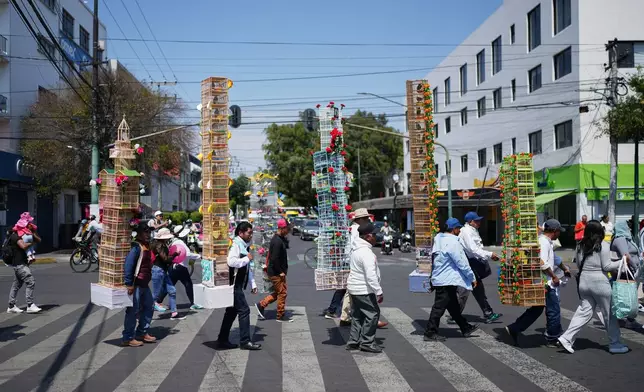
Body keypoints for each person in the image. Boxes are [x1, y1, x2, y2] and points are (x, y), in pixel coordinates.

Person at [558, 220, 629, 354]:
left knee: (584, 312)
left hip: (584, 282)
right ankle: (615, 343)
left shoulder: (580, 245)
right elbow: (607, 266)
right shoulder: (603, 244)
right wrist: (622, 261)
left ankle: (566, 338)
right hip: (600, 283)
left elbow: (579, 264)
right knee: (609, 315)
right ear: (600, 231)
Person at [505, 219, 565, 348]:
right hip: (544, 282)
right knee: (553, 310)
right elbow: (541, 262)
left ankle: (515, 328)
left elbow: (552, 259)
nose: (559, 234)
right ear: (554, 231)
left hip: (540, 280)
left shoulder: (544, 241)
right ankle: (553, 337)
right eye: (559, 231)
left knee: (537, 309)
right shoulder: (543, 242)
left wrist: (563, 268)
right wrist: (553, 276)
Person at [323, 209, 387, 328]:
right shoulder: (357, 230)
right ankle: (366, 318)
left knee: (348, 288)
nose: (368, 220)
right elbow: (355, 246)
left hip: (352, 260)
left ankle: (344, 315)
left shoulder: (354, 228)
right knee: (358, 288)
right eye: (366, 218)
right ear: (360, 219)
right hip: (356, 260)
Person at [424, 218, 479, 341]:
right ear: (454, 229)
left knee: (453, 306)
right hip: (446, 279)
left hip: (440, 277)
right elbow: (462, 263)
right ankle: (430, 332)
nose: (460, 230)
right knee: (439, 307)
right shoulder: (453, 243)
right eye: (458, 228)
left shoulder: (439, 239)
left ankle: (465, 327)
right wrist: (472, 277)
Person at [217, 221, 262, 350]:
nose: (251, 235)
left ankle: (222, 339)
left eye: (251, 232)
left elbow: (247, 267)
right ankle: (245, 341)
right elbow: (231, 262)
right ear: (240, 233)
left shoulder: (244, 245)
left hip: (238, 284)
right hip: (234, 285)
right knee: (244, 310)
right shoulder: (236, 244)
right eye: (249, 232)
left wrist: (252, 283)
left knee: (231, 312)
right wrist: (247, 258)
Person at [456, 211, 502, 324]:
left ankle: (487, 313)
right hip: (469, 263)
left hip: (472, 262)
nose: (479, 222)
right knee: (468, 290)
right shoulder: (466, 232)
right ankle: (456, 314)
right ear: (470, 222)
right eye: (476, 220)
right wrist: (490, 254)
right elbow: (473, 250)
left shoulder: (472, 230)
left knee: (475, 289)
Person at [346, 222, 384, 353]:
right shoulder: (366, 253)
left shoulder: (356, 249)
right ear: (368, 236)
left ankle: (354, 341)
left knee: (358, 315)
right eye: (374, 235)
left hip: (354, 288)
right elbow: (371, 275)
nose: (376, 237)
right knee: (373, 314)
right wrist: (378, 291)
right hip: (363, 289)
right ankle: (367, 342)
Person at [122, 223, 157, 347]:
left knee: (149, 306)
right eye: (145, 232)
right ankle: (128, 337)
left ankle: (142, 332)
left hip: (144, 284)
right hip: (136, 284)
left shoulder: (146, 246)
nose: (148, 234)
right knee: (133, 310)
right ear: (139, 233)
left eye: (149, 232)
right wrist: (129, 284)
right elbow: (129, 265)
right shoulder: (136, 247)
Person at [156, 226, 204, 310]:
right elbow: (187, 254)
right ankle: (192, 303)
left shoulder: (173, 241)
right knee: (188, 284)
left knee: (168, 285)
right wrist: (199, 256)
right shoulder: (180, 242)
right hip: (180, 266)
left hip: (173, 266)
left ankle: (157, 301)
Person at [256, 219, 293, 322]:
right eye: (287, 229)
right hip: (276, 272)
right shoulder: (277, 241)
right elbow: (274, 258)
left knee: (278, 292)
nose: (288, 231)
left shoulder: (279, 238)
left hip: (275, 271)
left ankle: (261, 305)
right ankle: (280, 316)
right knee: (282, 293)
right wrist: (280, 271)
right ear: (282, 228)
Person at [609, 220, 644, 329]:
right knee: (625, 295)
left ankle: (626, 319)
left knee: (627, 295)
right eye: (627, 227)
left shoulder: (626, 238)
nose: (629, 229)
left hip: (629, 270)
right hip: (626, 271)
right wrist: (635, 266)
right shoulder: (620, 239)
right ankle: (623, 319)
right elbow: (626, 255)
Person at [6, 213, 42, 314]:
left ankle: (11, 306)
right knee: (30, 281)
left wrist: (33, 232)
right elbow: (23, 246)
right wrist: (31, 243)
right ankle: (30, 305)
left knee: (16, 285)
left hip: (23, 263)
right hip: (19, 263)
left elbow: (39, 240)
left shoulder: (28, 233)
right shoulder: (15, 236)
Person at [150, 228, 183, 320]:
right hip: (158, 270)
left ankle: (174, 312)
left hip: (162, 270)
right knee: (156, 294)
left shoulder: (160, 244)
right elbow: (165, 259)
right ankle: (142, 312)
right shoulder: (159, 245)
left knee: (172, 290)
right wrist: (175, 255)